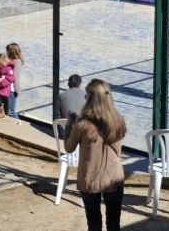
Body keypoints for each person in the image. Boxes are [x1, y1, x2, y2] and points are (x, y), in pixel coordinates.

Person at [64, 78, 127, 231]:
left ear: (90, 99)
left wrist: (68, 127)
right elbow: (117, 151)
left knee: (93, 223)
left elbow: (69, 148)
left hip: (90, 178)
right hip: (113, 176)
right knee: (114, 222)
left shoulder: (82, 124)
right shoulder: (118, 120)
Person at [6, 42, 24, 122]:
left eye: (8, 51)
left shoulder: (17, 62)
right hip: (7, 88)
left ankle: (20, 126)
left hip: (12, 90)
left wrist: (17, 90)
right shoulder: (10, 60)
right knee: (8, 110)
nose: (6, 53)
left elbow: (14, 77)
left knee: (11, 112)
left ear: (12, 51)